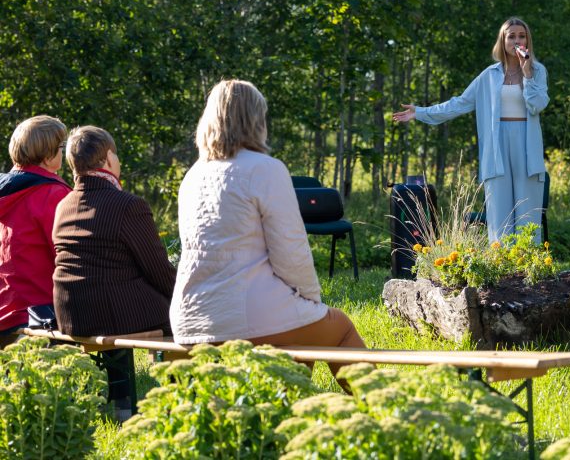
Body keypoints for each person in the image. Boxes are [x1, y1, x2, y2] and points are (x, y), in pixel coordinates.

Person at [170, 79, 365, 386]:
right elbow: (291, 251)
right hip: (245, 316)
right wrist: (312, 301)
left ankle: (278, 408)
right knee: (338, 326)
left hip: (190, 318)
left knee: (299, 324)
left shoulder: (192, 176)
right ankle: (382, 408)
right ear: (255, 120)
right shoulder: (264, 168)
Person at [52, 126, 176, 418]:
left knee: (118, 288)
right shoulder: (128, 205)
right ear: (108, 158)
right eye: (116, 155)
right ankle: (177, 402)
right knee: (184, 316)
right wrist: (184, 297)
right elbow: (158, 269)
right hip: (111, 312)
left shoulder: (64, 205)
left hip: (71, 313)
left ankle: (121, 406)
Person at [393, 17, 549, 243]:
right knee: (500, 218)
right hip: (496, 149)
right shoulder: (489, 76)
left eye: (521, 36)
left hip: (527, 145)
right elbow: (458, 104)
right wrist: (420, 112)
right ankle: (502, 263)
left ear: (527, 41)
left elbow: (538, 104)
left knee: (528, 217)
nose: (517, 40)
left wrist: (527, 75)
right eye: (511, 36)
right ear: (503, 41)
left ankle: (530, 263)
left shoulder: (537, 71)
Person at [0, 116, 71, 346]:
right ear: (48, 155)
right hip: (42, 316)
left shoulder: (6, 192)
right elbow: (70, 256)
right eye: (61, 147)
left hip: (5, 313)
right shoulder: (53, 194)